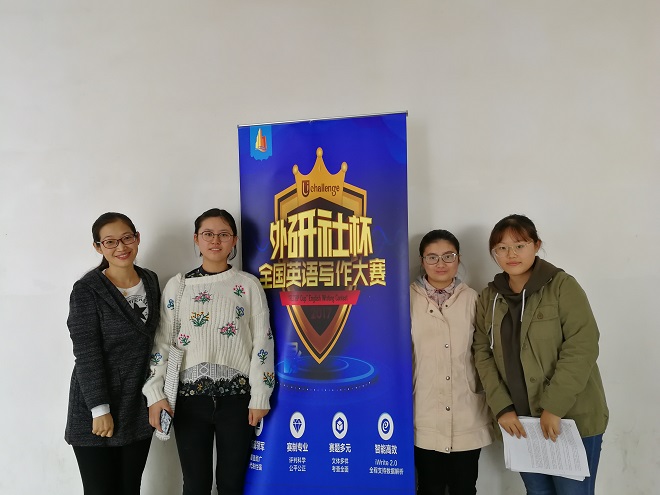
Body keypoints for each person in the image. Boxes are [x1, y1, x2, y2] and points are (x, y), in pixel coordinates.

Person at [472, 214, 608, 495]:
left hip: (570, 419)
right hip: (522, 425)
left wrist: (554, 407)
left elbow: (582, 346)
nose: (511, 254)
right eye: (502, 248)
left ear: (536, 245)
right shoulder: (490, 297)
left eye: (519, 245)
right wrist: (502, 407)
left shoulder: (562, 286)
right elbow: (482, 353)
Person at [143, 208, 274, 495]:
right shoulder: (178, 286)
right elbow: (162, 343)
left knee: (231, 483)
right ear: (196, 239)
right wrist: (154, 394)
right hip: (189, 402)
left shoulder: (248, 285)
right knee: (195, 485)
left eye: (224, 234)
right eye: (208, 234)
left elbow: (262, 343)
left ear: (234, 240)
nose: (216, 240)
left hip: (238, 402)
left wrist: (260, 395)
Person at [65, 212, 161, 495]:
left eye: (127, 238)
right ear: (98, 247)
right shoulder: (87, 290)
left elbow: (156, 343)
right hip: (96, 407)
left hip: (137, 404)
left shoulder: (151, 280)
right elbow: (87, 353)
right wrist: (100, 409)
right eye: (110, 242)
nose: (121, 247)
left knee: (130, 488)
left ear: (137, 238)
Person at [410, 230, 494, 495]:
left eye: (448, 256)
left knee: (465, 488)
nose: (441, 263)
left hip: (466, 413)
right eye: (432, 257)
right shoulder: (406, 299)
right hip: (423, 412)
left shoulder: (473, 299)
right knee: (429, 488)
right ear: (422, 261)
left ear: (458, 258)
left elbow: (485, 353)